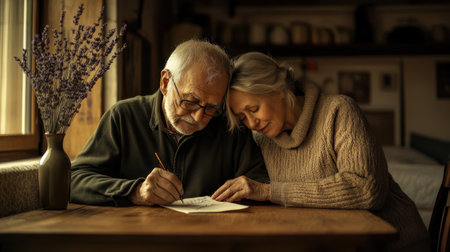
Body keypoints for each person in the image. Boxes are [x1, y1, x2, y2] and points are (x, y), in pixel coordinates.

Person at [212, 52, 430, 251]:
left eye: (253, 109)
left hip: (395, 243)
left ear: (278, 89)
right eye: (242, 117)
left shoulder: (339, 111)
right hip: (332, 241)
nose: (251, 123)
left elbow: (366, 189)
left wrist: (270, 191)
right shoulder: (261, 138)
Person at [70, 40, 269, 206]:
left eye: (211, 108)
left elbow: (259, 184)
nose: (199, 117)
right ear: (165, 82)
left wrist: (255, 189)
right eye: (190, 101)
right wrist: (136, 191)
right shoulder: (123, 117)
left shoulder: (230, 126)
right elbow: (73, 180)